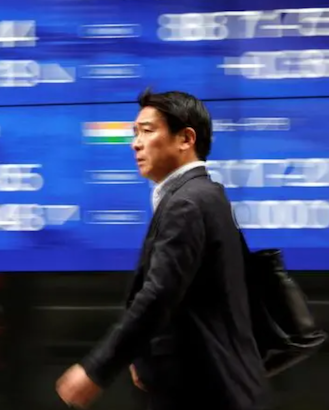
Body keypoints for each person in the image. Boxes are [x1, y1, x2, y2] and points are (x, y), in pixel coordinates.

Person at [55, 89, 270, 410]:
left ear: (185, 139)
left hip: (207, 393)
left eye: (147, 130)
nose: (135, 143)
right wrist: (143, 356)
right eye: (134, 133)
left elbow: (159, 295)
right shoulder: (206, 195)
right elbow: (191, 299)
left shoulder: (187, 203)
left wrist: (96, 369)